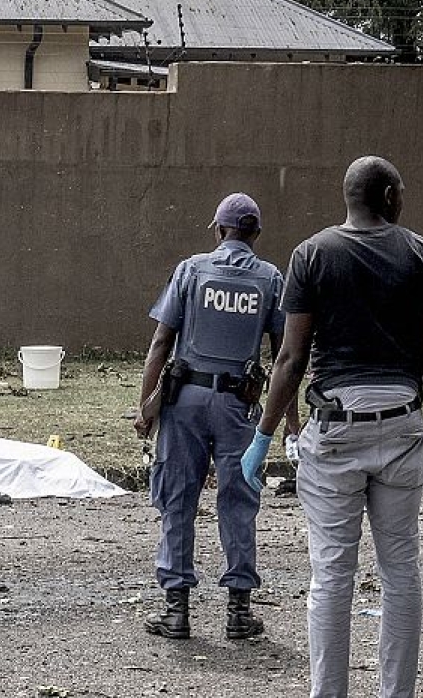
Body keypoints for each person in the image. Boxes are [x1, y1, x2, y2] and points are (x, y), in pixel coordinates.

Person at [242, 156, 423, 698]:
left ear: (348, 198)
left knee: (331, 576)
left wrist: (261, 437)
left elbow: (291, 359)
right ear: (390, 195)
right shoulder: (419, 253)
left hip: (336, 427)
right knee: (401, 571)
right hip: (402, 426)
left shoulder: (311, 254)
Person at [135, 192, 296, 640]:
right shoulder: (269, 278)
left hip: (184, 401)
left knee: (177, 500)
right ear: (256, 234)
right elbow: (286, 355)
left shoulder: (190, 270)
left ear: (219, 229)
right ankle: (239, 613)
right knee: (239, 502)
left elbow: (161, 342)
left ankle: (176, 611)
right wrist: (290, 421)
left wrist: (144, 405)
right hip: (237, 406)